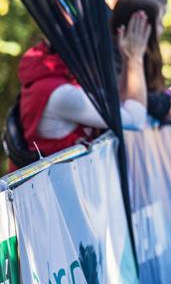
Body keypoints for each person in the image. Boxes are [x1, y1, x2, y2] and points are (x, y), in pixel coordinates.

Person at [15, 11, 150, 169]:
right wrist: (135, 58)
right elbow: (135, 119)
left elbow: (119, 104)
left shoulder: (57, 77)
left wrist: (128, 58)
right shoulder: (62, 94)